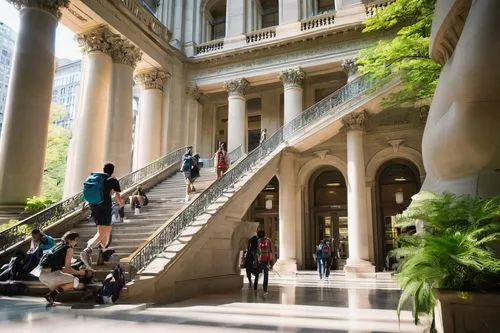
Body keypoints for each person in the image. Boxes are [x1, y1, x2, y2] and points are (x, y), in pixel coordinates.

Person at [80, 162, 124, 269]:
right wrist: (121, 204)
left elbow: (85, 194)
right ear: (112, 170)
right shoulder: (112, 180)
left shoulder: (95, 178)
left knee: (107, 229)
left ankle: (103, 249)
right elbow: (117, 196)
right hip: (105, 207)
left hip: (94, 206)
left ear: (103, 169)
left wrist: (83, 207)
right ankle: (87, 249)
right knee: (102, 231)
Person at [38, 231, 88, 304]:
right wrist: (81, 272)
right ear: (70, 240)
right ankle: (51, 295)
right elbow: (67, 269)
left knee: (68, 285)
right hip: (52, 276)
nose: (77, 242)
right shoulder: (69, 249)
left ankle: (53, 294)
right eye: (76, 240)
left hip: (42, 276)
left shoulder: (58, 245)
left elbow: (58, 266)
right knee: (75, 281)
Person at [254, 230, 274, 296]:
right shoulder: (268, 240)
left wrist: (256, 260)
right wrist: (271, 261)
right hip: (267, 260)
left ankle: (255, 287)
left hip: (260, 260)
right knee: (266, 275)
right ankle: (265, 289)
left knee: (257, 273)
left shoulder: (258, 241)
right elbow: (271, 251)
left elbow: (257, 252)